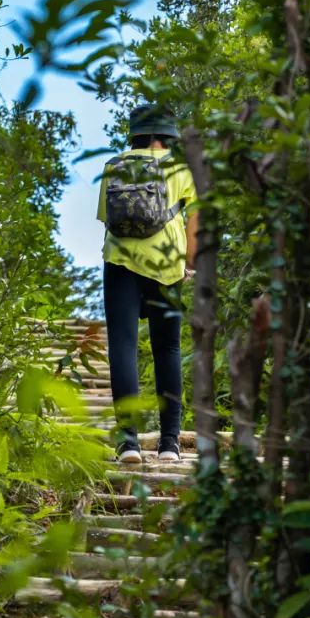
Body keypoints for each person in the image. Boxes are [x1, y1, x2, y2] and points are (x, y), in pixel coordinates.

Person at [97, 104, 198, 464]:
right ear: (166, 136)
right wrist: (188, 264)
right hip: (167, 265)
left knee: (122, 348)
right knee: (167, 349)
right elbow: (194, 220)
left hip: (120, 262)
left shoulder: (114, 164)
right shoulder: (178, 166)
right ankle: (169, 444)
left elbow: (107, 218)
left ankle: (128, 443)